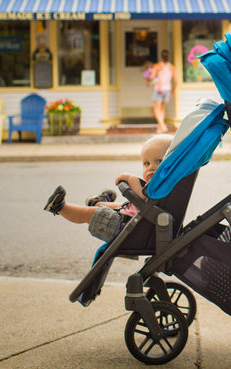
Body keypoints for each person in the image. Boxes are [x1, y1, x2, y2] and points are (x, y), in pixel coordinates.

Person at [43, 134, 173, 242]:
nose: (151, 167)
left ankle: (60, 207)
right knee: (123, 206)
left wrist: (130, 179)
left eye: (159, 161)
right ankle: (99, 203)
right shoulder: (167, 184)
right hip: (137, 219)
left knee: (90, 214)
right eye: (146, 163)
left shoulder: (161, 186)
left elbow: (141, 198)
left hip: (126, 228)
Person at [149, 50, 177, 133]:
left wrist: (151, 73)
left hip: (159, 89)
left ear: (161, 57)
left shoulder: (157, 66)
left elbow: (151, 77)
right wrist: (173, 90)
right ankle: (160, 128)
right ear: (168, 57)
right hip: (167, 89)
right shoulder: (171, 67)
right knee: (162, 108)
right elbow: (176, 81)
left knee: (156, 109)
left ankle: (162, 126)